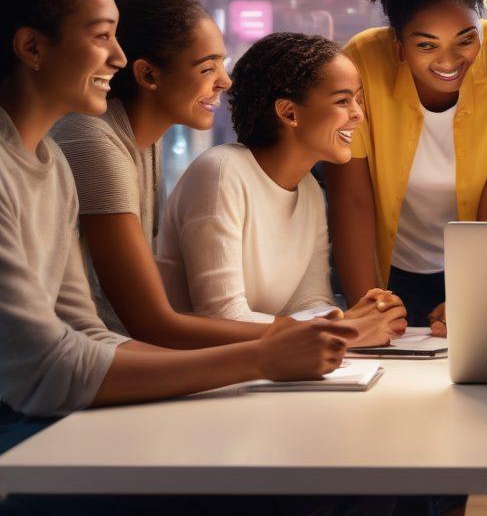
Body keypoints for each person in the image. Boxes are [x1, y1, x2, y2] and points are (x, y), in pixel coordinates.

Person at [0, 0, 392, 515]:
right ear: (31, 48)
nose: (119, 55)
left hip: (72, 402)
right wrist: (261, 358)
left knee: (349, 482)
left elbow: (91, 333)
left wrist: (276, 356)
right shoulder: (87, 145)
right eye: (103, 36)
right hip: (28, 434)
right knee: (319, 490)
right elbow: (50, 368)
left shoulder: (50, 162)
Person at [52, 0, 405, 348]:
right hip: (95, 360)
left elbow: (308, 302)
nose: (225, 80)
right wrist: (340, 330)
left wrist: (346, 321)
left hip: (119, 353)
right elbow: (155, 323)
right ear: (148, 76)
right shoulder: (98, 141)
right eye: (208, 67)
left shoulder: (144, 145)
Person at [325, 0, 487, 334]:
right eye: (426, 45)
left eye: (466, 40)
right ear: (398, 46)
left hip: (472, 266)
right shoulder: (361, 60)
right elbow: (351, 198)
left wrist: (478, 298)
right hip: (383, 265)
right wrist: (367, 309)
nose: (450, 60)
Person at [155, 33, 404, 348]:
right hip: (198, 374)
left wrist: (364, 317)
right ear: (289, 113)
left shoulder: (310, 189)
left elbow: (309, 302)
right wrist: (345, 328)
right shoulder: (221, 173)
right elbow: (221, 316)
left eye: (357, 99)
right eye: (343, 101)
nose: (358, 114)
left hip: (260, 373)